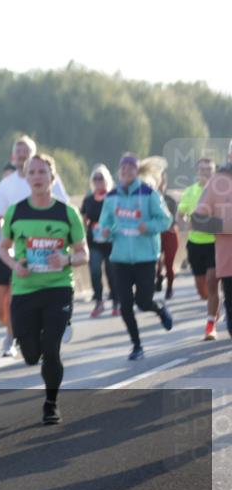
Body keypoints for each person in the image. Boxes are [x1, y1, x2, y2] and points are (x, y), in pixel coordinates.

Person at [0, 153, 87, 424]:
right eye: (32, 172)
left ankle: (51, 403)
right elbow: (3, 249)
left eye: (42, 172)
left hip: (57, 287)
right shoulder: (16, 211)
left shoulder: (67, 212)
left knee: (51, 349)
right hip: (25, 290)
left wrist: (66, 259)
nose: (37, 177)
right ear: (26, 177)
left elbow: (84, 254)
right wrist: (15, 265)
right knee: (30, 356)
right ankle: (38, 333)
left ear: (52, 177)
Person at [0, 136, 70, 357]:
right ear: (12, 156)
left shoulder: (47, 177)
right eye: (18, 151)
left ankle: (14, 335)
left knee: (25, 292)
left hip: (45, 245)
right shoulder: (6, 184)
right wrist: (2, 235)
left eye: (26, 151)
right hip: (12, 246)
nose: (22, 155)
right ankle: (14, 328)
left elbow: (65, 207)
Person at [99, 153, 174, 360]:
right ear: (119, 170)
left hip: (145, 258)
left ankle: (158, 309)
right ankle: (137, 345)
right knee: (125, 305)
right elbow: (103, 224)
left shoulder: (149, 194)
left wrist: (148, 226)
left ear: (137, 171)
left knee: (143, 302)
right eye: (123, 167)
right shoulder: (111, 196)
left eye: (131, 167)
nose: (126, 170)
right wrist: (104, 232)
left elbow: (166, 220)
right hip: (120, 259)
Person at [192, 141, 232, 340]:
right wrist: (226, 226)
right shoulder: (217, 183)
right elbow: (197, 221)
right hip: (227, 261)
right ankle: (214, 321)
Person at [178, 158, 220, 339]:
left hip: (215, 243)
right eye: (202, 170)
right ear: (197, 172)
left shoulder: (221, 191)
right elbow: (180, 215)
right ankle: (214, 307)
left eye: (209, 170)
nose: (205, 173)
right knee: (202, 290)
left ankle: (210, 325)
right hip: (195, 245)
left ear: (214, 172)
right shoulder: (190, 192)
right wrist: (184, 225)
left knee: (212, 282)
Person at [81, 164, 118, 318]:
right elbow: (83, 219)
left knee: (111, 272)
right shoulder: (88, 200)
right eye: (95, 178)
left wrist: (111, 228)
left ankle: (116, 302)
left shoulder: (113, 197)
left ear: (107, 179)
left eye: (100, 178)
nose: (97, 181)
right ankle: (99, 302)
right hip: (94, 242)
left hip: (111, 241)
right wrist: (86, 232)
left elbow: (120, 216)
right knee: (95, 271)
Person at [155, 170, 179, 301]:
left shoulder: (170, 200)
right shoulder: (147, 199)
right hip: (155, 234)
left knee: (169, 263)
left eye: (161, 181)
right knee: (154, 261)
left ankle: (169, 287)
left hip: (169, 233)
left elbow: (173, 219)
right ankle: (158, 276)